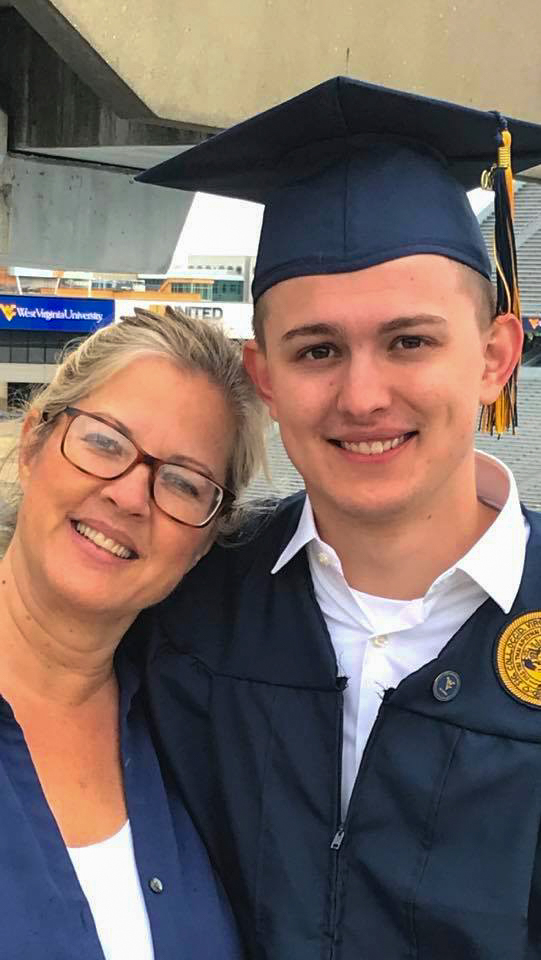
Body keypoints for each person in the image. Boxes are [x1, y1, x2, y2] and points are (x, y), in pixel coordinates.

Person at [137, 78, 541, 959]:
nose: (362, 396)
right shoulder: (185, 606)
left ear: (495, 357)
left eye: (410, 341)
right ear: (267, 377)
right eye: (317, 350)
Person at [0, 306, 265, 960]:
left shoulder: (199, 735)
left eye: (182, 482)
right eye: (105, 443)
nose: (128, 495)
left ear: (206, 540)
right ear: (34, 442)